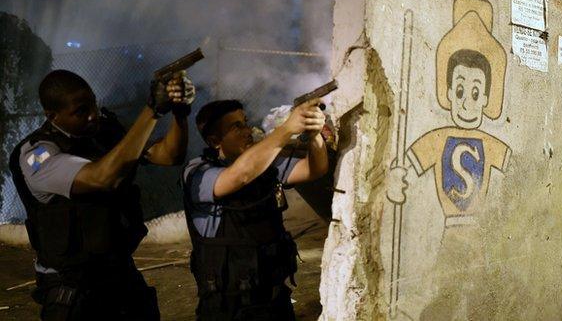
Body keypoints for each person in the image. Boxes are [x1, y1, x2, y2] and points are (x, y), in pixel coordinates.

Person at [9, 69, 196, 321]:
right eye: (80, 111)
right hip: (73, 287)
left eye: (93, 105)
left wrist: (179, 113)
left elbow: (169, 155)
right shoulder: (37, 155)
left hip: (120, 273)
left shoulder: (104, 131)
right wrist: (152, 110)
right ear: (52, 116)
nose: (92, 115)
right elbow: (101, 178)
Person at [182, 99, 329, 320]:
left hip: (274, 300)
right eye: (236, 127)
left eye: (245, 122)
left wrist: (315, 135)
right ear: (214, 140)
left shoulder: (265, 165)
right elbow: (240, 175)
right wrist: (287, 128)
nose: (247, 131)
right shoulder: (199, 172)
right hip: (229, 308)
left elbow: (314, 169)